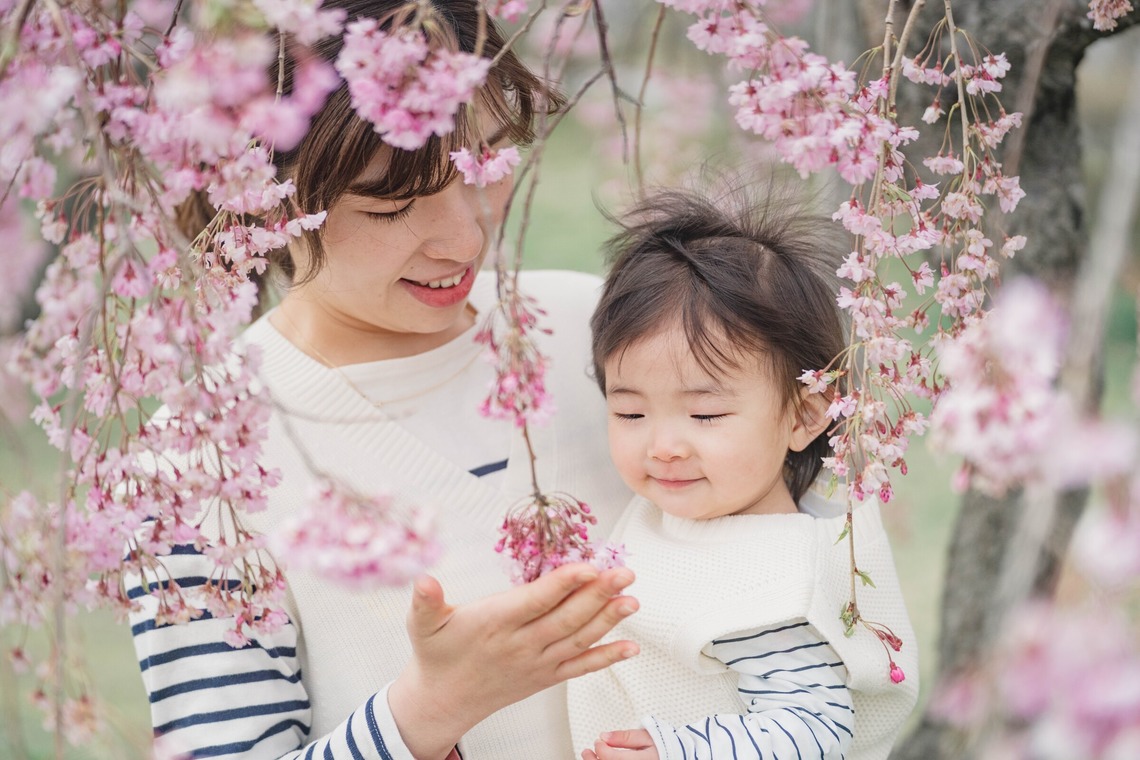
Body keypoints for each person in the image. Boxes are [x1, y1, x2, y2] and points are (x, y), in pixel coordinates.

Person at [127, 2, 638, 758]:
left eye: (486, 164)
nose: (466, 238)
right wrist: (426, 713)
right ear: (260, 196)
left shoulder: (611, 334)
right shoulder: (196, 467)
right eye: (393, 203)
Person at [567, 184, 919, 760]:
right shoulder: (696, 514)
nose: (664, 445)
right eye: (630, 411)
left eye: (705, 414)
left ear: (804, 415)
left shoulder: (770, 580)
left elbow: (816, 726)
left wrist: (682, 751)